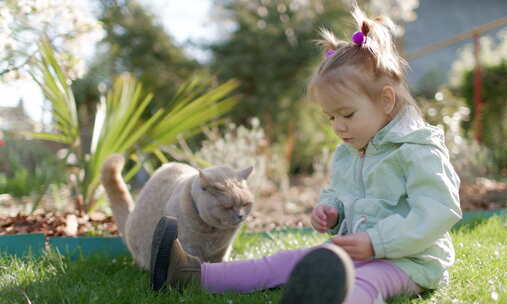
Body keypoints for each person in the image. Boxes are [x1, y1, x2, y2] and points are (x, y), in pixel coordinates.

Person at [149, 6, 462, 304]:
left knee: (365, 284)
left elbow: (438, 212)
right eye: (331, 118)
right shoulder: (350, 152)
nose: (338, 127)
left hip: (411, 262)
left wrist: (376, 243)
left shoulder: (418, 150)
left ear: (386, 100)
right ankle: (192, 274)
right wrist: (331, 210)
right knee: (284, 262)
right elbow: (341, 193)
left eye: (347, 115)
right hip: (355, 253)